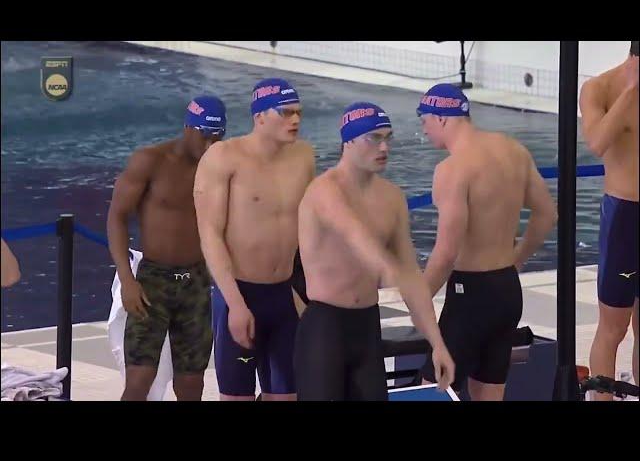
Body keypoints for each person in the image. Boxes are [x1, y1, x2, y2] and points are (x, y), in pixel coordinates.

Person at [294, 102, 455, 401]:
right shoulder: (323, 191)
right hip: (324, 330)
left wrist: (438, 343)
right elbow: (354, 234)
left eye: (387, 138)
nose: (384, 147)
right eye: (374, 138)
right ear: (349, 141)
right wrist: (390, 270)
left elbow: (411, 275)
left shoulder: (392, 198)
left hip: (367, 328)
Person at [416, 84, 557, 401]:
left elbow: (446, 252)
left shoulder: (452, 170)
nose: (423, 131)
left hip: (471, 297)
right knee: (489, 394)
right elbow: (547, 214)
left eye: (424, 120)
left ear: (441, 118)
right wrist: (516, 260)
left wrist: (418, 298)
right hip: (506, 290)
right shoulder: (513, 150)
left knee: (430, 391)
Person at [194, 78, 315, 401]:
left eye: (299, 113)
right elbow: (210, 236)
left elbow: (306, 229)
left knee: (288, 397)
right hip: (240, 294)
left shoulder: (303, 157)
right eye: (287, 113)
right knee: (237, 399)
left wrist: (306, 293)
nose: (296, 120)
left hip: (284, 296)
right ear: (260, 115)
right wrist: (235, 304)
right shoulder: (223, 158)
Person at [107, 95, 226, 401]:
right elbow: (117, 217)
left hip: (196, 282)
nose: (210, 145)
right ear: (188, 128)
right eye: (205, 136)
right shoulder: (151, 160)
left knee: (191, 384)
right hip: (153, 282)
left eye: (218, 137)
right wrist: (127, 280)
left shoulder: (220, 167)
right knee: (139, 380)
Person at [581, 41, 639, 400]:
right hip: (626, 219)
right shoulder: (599, 88)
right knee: (613, 327)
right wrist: (631, 90)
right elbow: (597, 142)